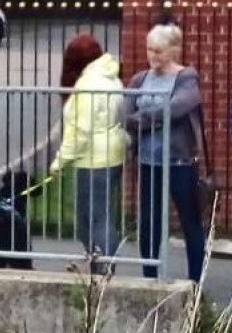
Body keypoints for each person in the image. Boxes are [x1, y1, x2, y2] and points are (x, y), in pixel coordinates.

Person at [125, 24, 206, 281]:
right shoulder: (140, 79)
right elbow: (126, 115)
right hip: (149, 162)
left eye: (159, 50)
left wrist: (146, 118)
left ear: (174, 50)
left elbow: (179, 108)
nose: (153, 55)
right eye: (150, 49)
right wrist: (157, 118)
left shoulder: (186, 77)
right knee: (149, 224)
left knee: (189, 221)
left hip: (180, 162)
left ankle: (195, 281)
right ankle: (149, 277)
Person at [49, 34, 127, 274]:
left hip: (93, 159)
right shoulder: (112, 78)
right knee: (100, 216)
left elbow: (80, 131)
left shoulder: (86, 85)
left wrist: (59, 162)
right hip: (113, 155)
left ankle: (103, 269)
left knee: (91, 220)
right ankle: (102, 265)